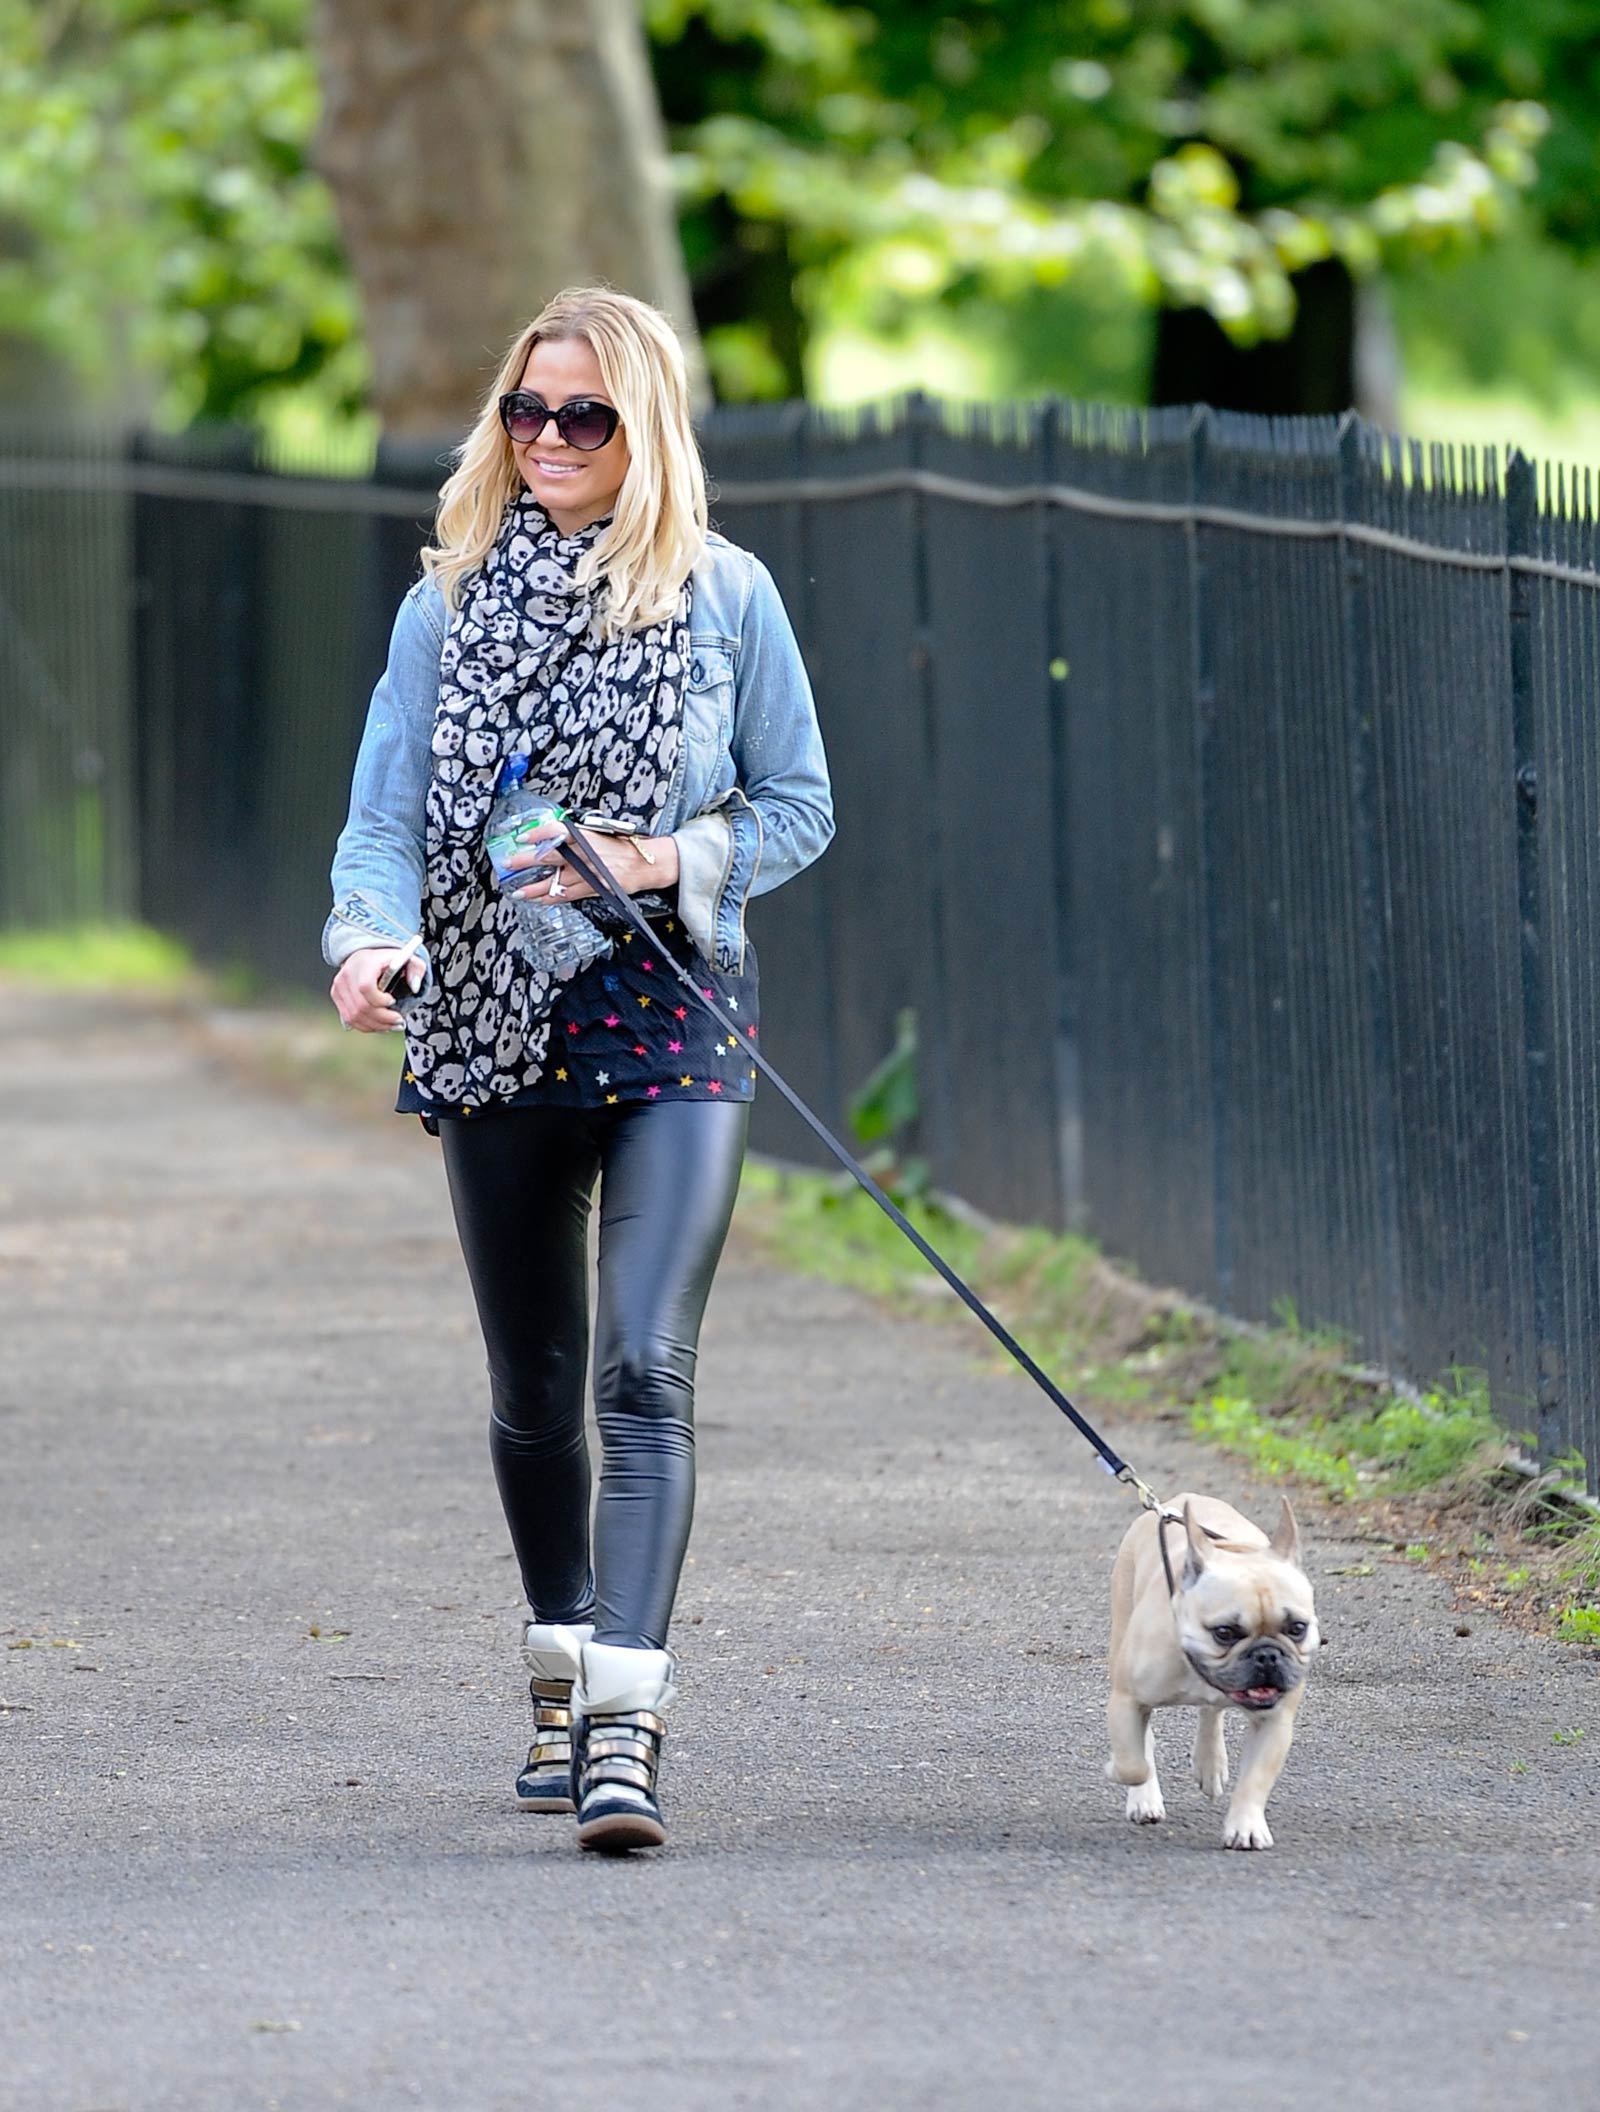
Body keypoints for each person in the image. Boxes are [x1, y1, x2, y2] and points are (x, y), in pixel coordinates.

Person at [321, 286, 833, 1852]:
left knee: (644, 1372)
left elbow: (798, 807)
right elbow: (385, 814)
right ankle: (556, 1663)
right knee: (538, 1390)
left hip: (674, 1009)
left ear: (647, 431)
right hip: (482, 1017)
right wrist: (368, 940)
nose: (545, 440)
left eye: (584, 417)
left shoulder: (728, 600)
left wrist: (658, 851)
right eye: (524, 413)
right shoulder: (444, 605)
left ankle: (627, 1724)